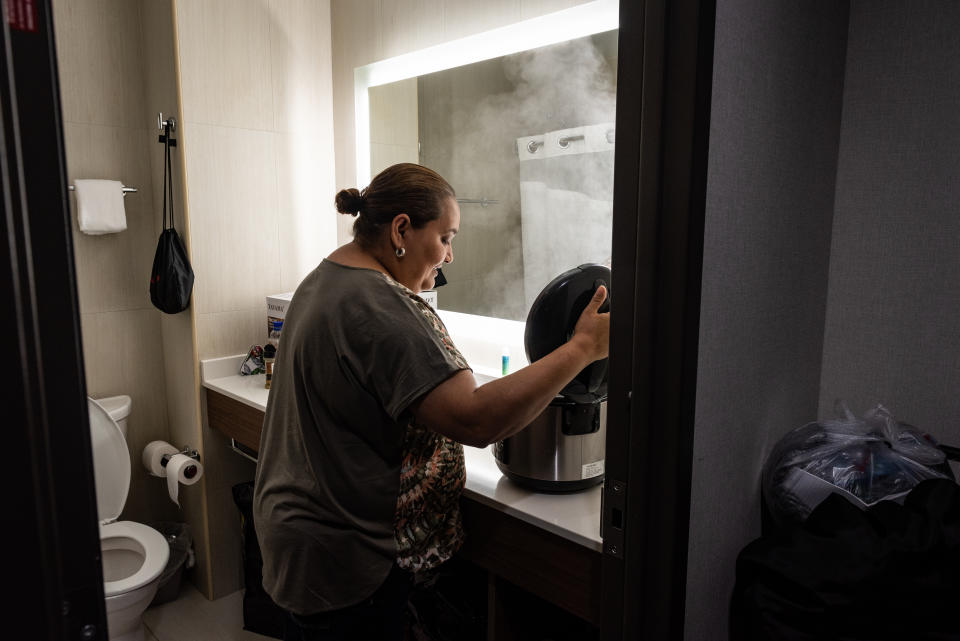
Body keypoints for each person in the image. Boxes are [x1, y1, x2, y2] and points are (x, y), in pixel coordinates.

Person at [253, 163, 609, 641]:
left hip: (304, 536)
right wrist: (583, 347)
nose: (450, 255)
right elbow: (477, 420)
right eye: (445, 237)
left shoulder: (328, 277)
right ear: (402, 229)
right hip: (347, 555)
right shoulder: (381, 306)